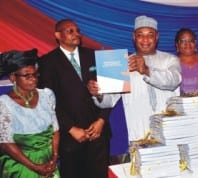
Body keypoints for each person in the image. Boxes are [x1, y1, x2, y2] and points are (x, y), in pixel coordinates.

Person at [88, 15, 181, 143]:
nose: (145, 40)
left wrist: (146, 70)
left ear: (157, 37)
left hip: (172, 129)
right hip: (140, 134)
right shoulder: (121, 63)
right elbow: (108, 102)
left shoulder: (169, 59)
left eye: (150, 35)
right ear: (134, 37)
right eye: (140, 35)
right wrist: (98, 94)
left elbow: (174, 81)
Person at [38, 19, 112, 178]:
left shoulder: (95, 56)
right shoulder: (47, 62)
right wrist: (70, 128)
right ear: (57, 35)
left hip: (98, 134)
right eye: (70, 31)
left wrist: (101, 121)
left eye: (77, 30)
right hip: (70, 137)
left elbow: (111, 92)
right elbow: (47, 102)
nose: (76, 34)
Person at [0, 49, 60, 178]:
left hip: (49, 161)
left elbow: (55, 129)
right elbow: (5, 143)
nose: (33, 79)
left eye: (35, 74)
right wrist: (34, 167)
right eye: (27, 76)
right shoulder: (4, 104)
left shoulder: (47, 95)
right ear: (12, 78)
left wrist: (54, 157)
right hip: (21, 165)